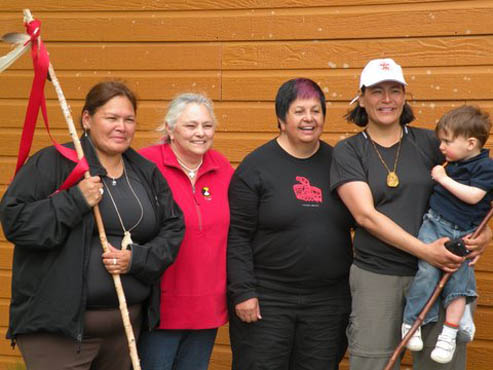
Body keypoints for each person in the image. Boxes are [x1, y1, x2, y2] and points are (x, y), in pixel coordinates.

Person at [0, 81, 185, 370]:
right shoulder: (54, 163)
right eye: (111, 118)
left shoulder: (145, 172)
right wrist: (75, 200)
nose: (121, 127)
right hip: (59, 334)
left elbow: (173, 228)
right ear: (87, 119)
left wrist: (136, 259)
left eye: (128, 119)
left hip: (124, 329)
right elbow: (16, 222)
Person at [330, 58, 492, 370]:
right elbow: (365, 216)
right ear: (361, 98)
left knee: (440, 364)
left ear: (405, 96)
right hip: (378, 275)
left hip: (441, 274)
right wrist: (426, 252)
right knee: (372, 363)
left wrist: (484, 235)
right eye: (377, 91)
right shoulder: (349, 151)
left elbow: (479, 191)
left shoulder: (433, 143)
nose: (387, 99)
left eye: (395, 90)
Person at [227, 78, 354, 370]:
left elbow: (364, 218)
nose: (309, 118)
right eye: (299, 111)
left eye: (316, 111)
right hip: (268, 298)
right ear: (282, 120)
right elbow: (237, 236)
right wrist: (243, 292)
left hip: (327, 301)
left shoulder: (340, 163)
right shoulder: (255, 167)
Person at [138, 93, 234, 370]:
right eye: (191, 126)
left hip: (207, 306)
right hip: (160, 307)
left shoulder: (222, 167)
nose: (200, 133)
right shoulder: (146, 164)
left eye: (207, 126)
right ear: (170, 129)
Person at [402, 105, 493, 363]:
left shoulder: (484, 168)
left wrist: (442, 179)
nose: (441, 146)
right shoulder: (453, 162)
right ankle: (412, 324)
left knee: (458, 284)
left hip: (463, 233)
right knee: (427, 272)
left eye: (447, 141)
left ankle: (449, 334)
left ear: (470, 143)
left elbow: (475, 197)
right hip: (436, 225)